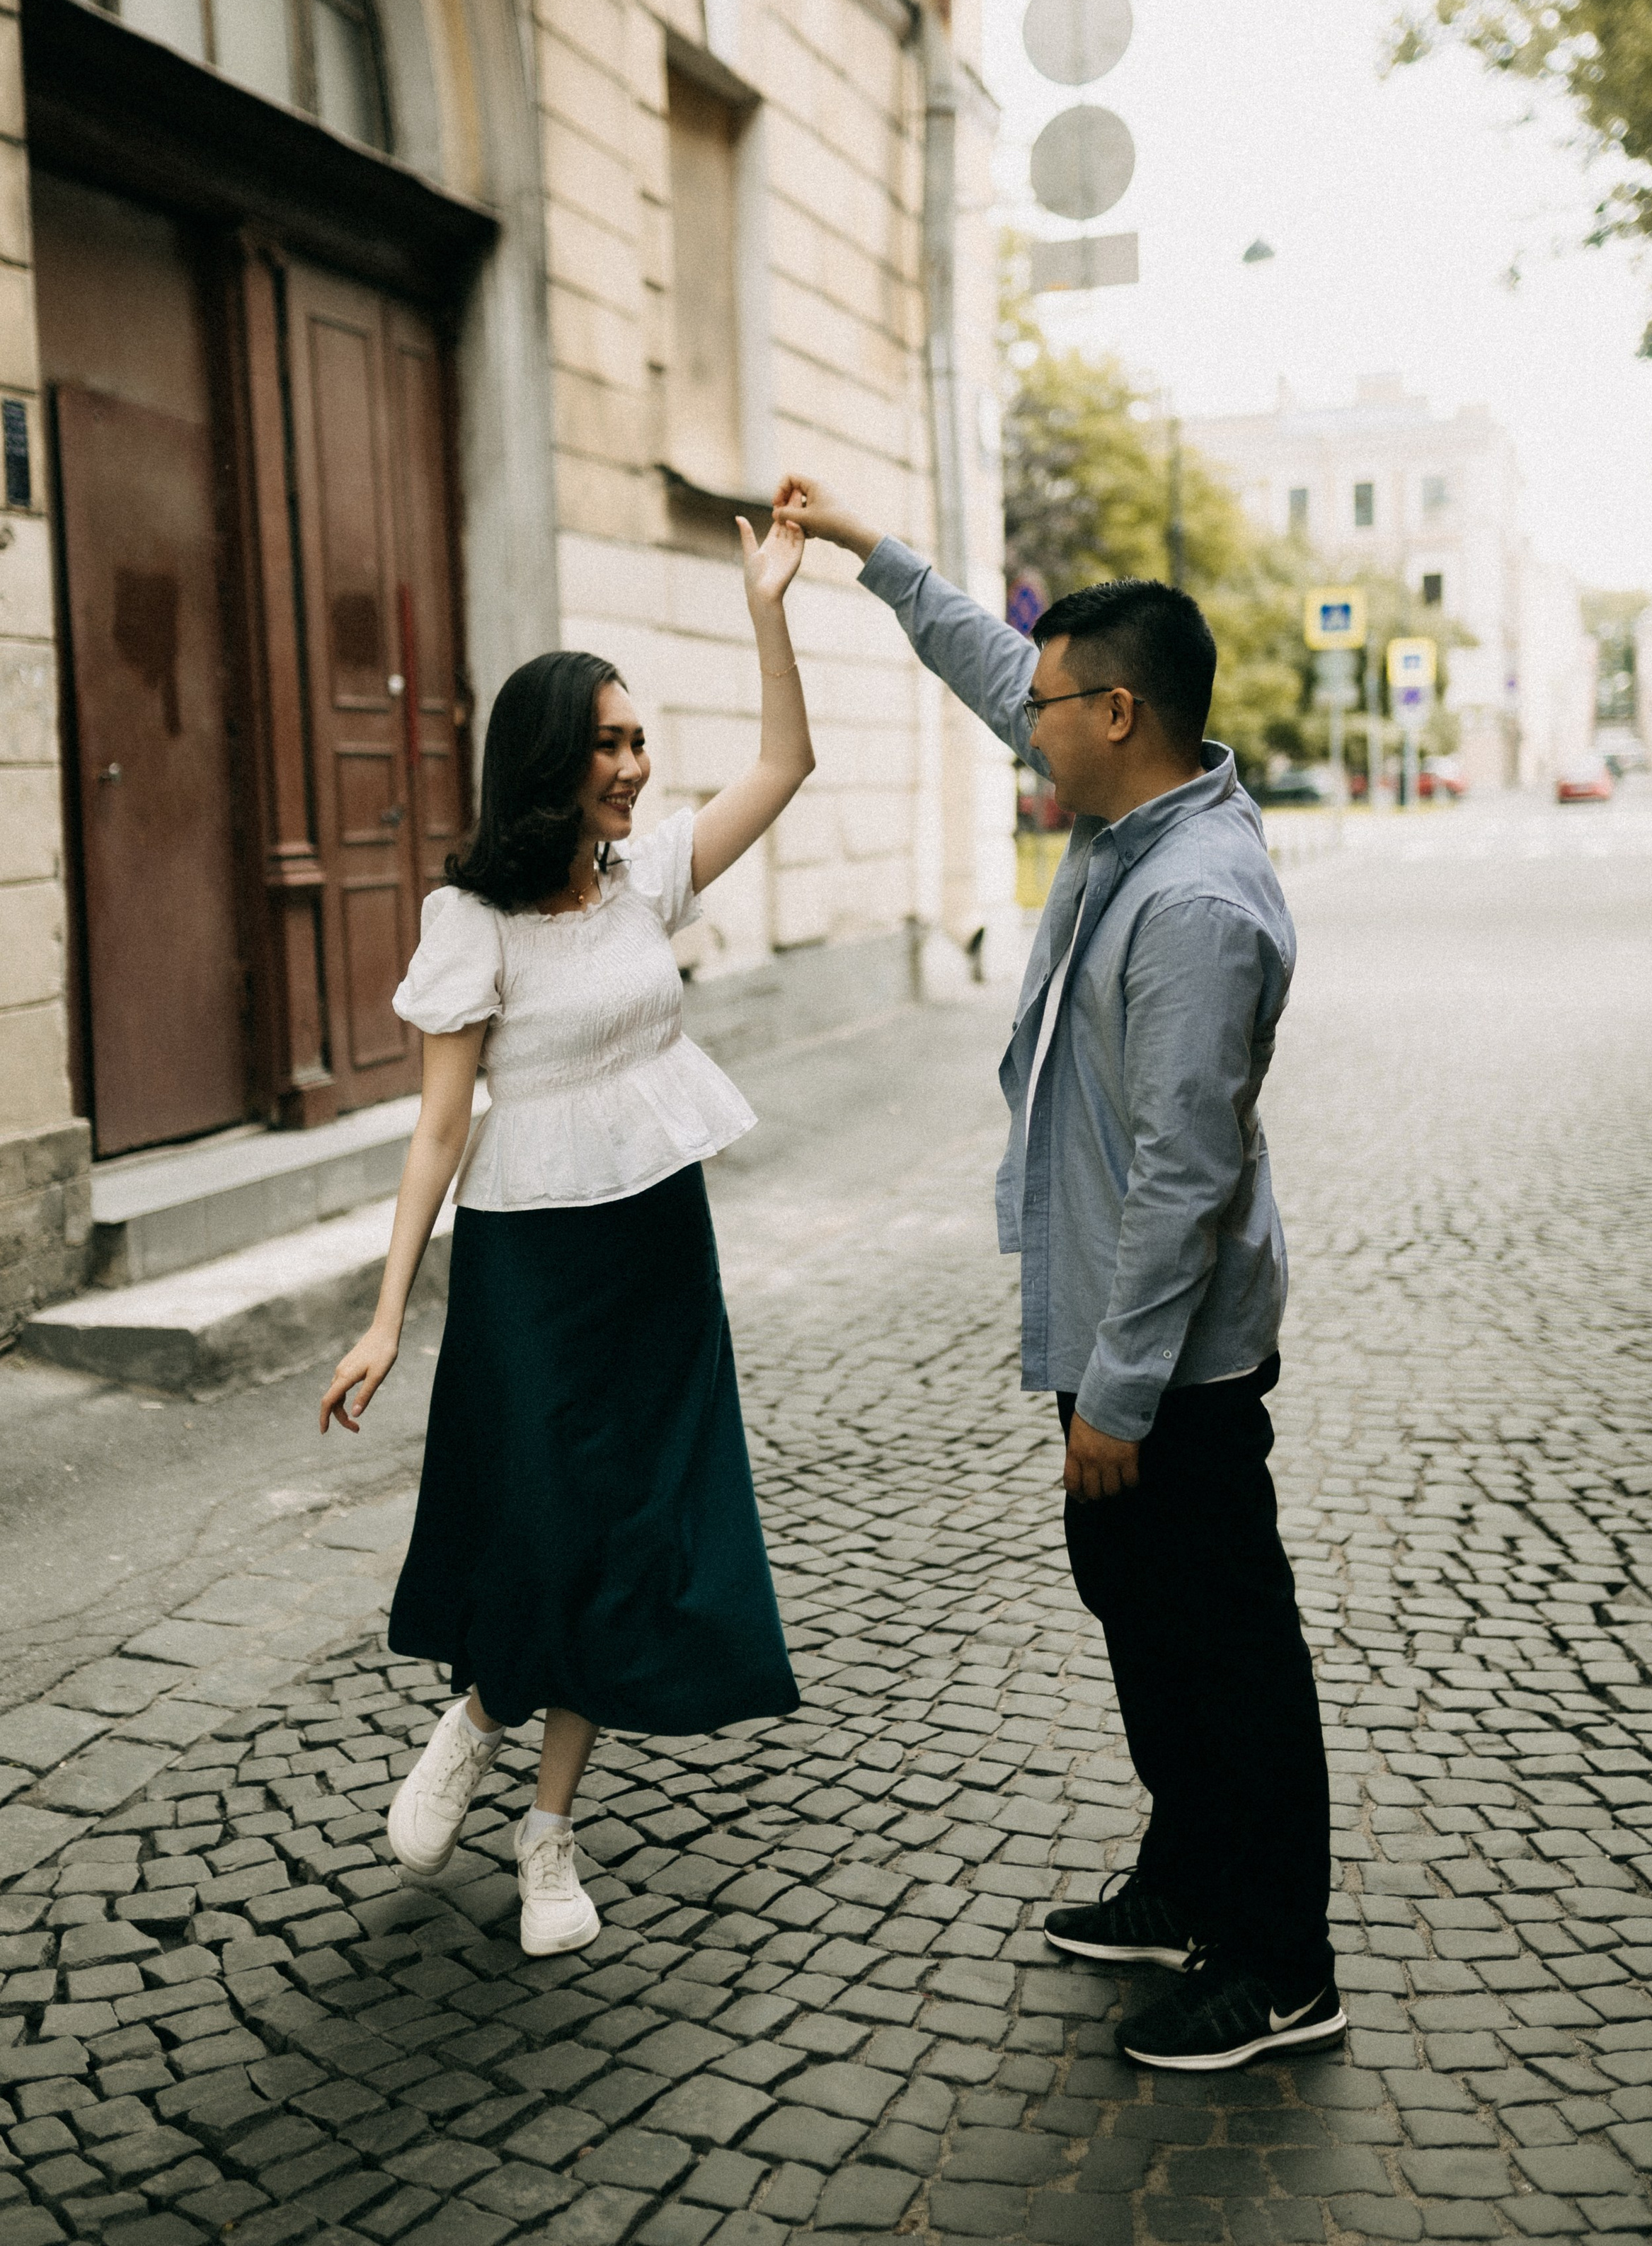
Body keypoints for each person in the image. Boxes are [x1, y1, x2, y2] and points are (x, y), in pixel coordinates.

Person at [776, 473, 1338, 2074]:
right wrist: (872, 556)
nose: (1020, 717)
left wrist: (1117, 1391)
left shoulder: (1194, 901)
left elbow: (1184, 1176)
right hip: (1114, 1339)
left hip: (1169, 1364)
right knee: (1141, 1613)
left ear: (1118, 711)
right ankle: (1184, 1882)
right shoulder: (1122, 813)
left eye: (1046, 702)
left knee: (1224, 1644)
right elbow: (985, 659)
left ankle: (1280, 1961)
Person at [319, 510, 813, 1959]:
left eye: (640, 741)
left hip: (656, 1238)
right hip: (531, 1261)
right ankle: (474, 1711)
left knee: (632, 1516)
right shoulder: (470, 920)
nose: (632, 766)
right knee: (536, 1511)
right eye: (605, 743)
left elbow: (782, 767)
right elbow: (434, 1131)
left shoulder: (647, 877)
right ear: (547, 757)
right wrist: (383, 1311)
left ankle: (549, 1831)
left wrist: (763, 606)